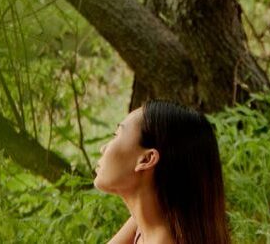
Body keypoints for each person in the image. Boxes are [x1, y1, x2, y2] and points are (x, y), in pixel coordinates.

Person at [94, 99, 231, 244]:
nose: (103, 148)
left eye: (116, 135)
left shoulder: (161, 234)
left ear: (146, 159)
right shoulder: (151, 222)